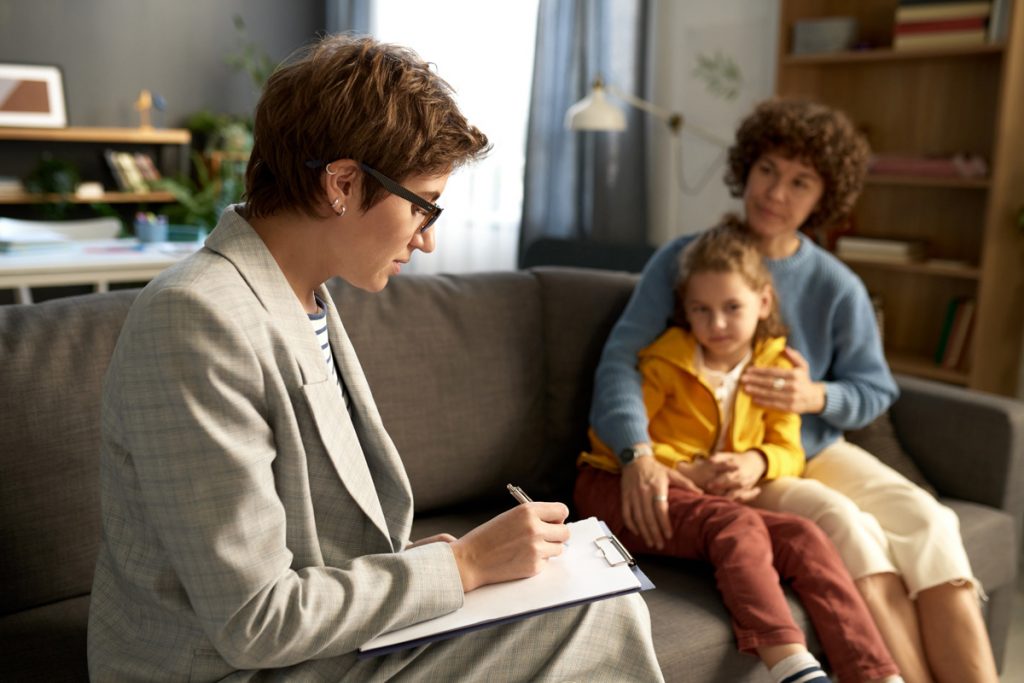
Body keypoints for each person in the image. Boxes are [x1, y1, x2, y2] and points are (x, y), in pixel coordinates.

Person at [87, 35, 663, 682]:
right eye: (422, 206)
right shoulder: (195, 319)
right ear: (342, 183)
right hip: (226, 668)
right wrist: (464, 565)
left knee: (594, 597)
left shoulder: (306, 297)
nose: (429, 238)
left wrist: (434, 563)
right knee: (597, 615)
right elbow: (253, 619)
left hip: (308, 645)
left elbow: (307, 543)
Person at [589, 97, 999, 683]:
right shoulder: (685, 260)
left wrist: (817, 399)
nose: (777, 193)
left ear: (823, 198)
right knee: (847, 527)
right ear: (746, 168)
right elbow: (620, 362)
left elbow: (873, 388)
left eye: (800, 182)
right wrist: (638, 452)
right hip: (733, 457)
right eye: (768, 171)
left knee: (932, 522)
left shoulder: (837, 284)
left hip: (810, 447)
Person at [576, 224, 901, 683]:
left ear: (763, 302)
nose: (718, 324)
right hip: (618, 485)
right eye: (702, 310)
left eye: (733, 308)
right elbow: (612, 437)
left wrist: (759, 462)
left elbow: (789, 448)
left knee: (806, 537)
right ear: (684, 310)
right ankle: (794, 668)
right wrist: (684, 467)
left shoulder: (775, 368)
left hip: (701, 500)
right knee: (737, 522)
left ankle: (877, 675)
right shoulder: (665, 360)